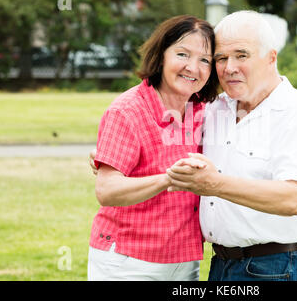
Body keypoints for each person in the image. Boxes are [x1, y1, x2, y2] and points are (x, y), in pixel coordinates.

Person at [166, 11, 297, 281]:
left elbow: (292, 199)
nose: (229, 67)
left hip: (279, 266)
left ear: (271, 57)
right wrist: (114, 155)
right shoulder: (215, 109)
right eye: (221, 58)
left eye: (241, 55)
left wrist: (213, 184)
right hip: (221, 264)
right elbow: (168, 143)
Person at [87, 15, 218, 281]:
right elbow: (107, 190)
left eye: (204, 60)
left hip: (184, 259)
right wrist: (170, 178)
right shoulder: (127, 110)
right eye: (182, 54)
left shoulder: (205, 111)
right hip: (128, 261)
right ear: (161, 56)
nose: (193, 67)